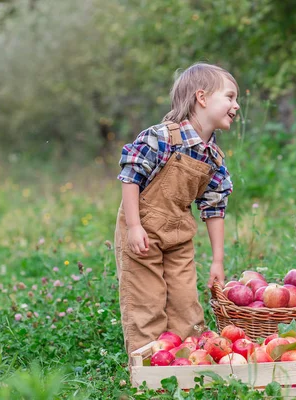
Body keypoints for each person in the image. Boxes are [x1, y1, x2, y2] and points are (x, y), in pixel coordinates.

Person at [114, 63, 239, 356]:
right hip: (143, 229)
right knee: (146, 299)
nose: (236, 105)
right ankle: (146, 365)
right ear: (202, 98)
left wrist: (217, 261)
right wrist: (133, 226)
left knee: (186, 302)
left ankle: (187, 361)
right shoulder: (162, 138)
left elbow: (214, 206)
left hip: (179, 234)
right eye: (230, 97)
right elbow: (130, 176)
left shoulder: (213, 156)